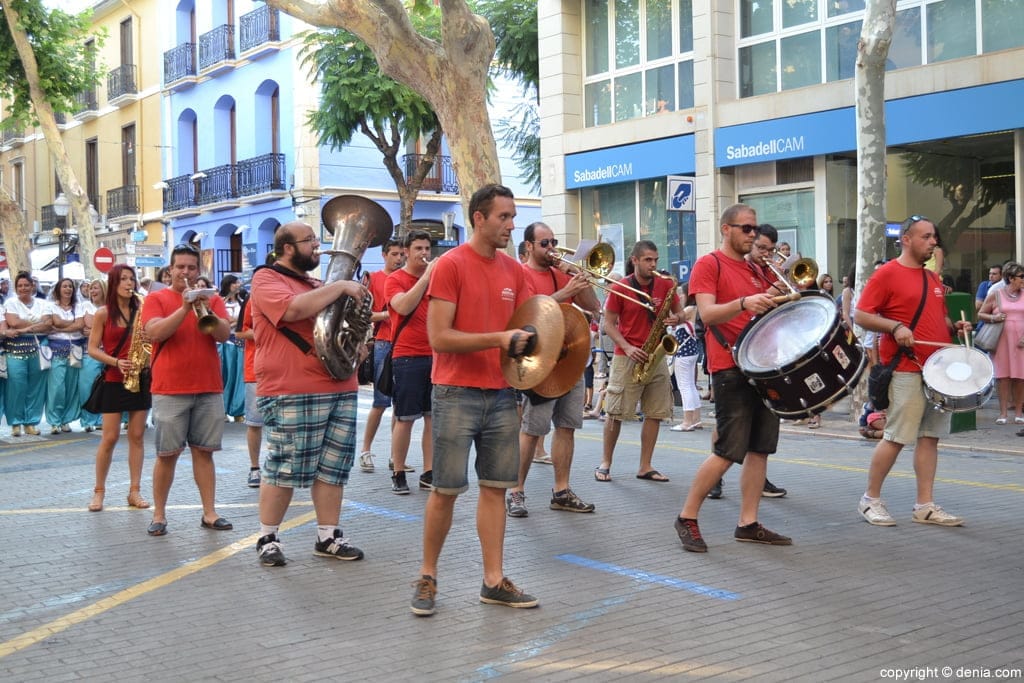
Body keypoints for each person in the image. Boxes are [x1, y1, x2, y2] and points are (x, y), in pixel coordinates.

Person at [410, 183, 537, 617]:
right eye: (504, 217)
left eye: (513, 216)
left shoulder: (514, 271)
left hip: (501, 393)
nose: (512, 225)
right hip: (454, 392)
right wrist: (499, 338)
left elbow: (529, 327)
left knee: (495, 490)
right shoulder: (450, 265)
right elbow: (439, 337)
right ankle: (427, 575)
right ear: (479, 218)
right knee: (445, 490)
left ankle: (493, 581)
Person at [673, 204, 792, 553]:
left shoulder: (756, 268)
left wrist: (780, 290)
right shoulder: (710, 264)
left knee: (760, 450)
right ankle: (687, 516)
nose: (753, 234)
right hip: (730, 366)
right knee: (728, 450)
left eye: (755, 228)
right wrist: (744, 302)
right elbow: (708, 313)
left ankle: (748, 523)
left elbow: (769, 308)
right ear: (726, 229)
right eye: (746, 228)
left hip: (764, 365)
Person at [249, 221, 366, 567]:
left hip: (339, 384)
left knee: (334, 467)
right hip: (290, 387)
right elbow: (293, 310)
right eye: (309, 240)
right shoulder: (266, 278)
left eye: (316, 239)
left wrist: (359, 342)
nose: (317, 245)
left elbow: (344, 324)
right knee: (284, 466)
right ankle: (268, 538)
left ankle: (328, 536)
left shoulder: (318, 285)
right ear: (287, 248)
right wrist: (341, 286)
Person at [854, 215, 971, 528]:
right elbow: (861, 315)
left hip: (938, 370)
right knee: (896, 437)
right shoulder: (887, 274)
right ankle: (870, 500)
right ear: (906, 239)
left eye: (934, 237)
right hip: (906, 367)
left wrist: (955, 328)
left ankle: (925, 506)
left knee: (930, 437)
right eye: (926, 236)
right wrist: (895, 327)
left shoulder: (932, 279)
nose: (933, 242)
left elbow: (939, 319)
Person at [505, 221, 601, 518]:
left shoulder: (562, 273)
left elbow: (594, 306)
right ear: (529, 246)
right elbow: (529, 313)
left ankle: (562, 490)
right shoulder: (521, 274)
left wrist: (578, 278)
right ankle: (516, 491)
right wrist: (564, 292)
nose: (551, 249)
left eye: (553, 242)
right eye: (544, 243)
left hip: (569, 358)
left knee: (567, 426)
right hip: (539, 362)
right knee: (532, 430)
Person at [142, 243, 233, 537]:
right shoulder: (156, 298)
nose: (186, 272)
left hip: (208, 387)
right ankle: (159, 514)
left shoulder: (212, 299)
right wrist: (184, 307)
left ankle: (210, 512)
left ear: (198, 270)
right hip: (170, 388)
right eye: (180, 267)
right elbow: (155, 332)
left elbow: (223, 335)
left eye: (191, 268)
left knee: (204, 453)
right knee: (167, 454)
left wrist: (204, 306)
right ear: (170, 270)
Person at [594, 240, 682, 483]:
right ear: (635, 260)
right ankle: (605, 462)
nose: (653, 264)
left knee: (655, 412)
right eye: (647, 260)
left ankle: (645, 465)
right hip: (627, 356)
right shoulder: (620, 287)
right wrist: (627, 347)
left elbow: (681, 312)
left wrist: (677, 318)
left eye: (655, 260)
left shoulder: (665, 284)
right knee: (615, 412)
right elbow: (608, 324)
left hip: (656, 354)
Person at [86, 265, 152, 512]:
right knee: (110, 437)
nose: (128, 283)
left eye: (131, 279)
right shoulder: (103, 313)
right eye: (123, 279)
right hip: (114, 378)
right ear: (113, 284)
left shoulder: (142, 310)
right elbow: (92, 349)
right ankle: (99, 492)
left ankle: (134, 491)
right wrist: (115, 362)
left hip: (140, 377)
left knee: (137, 436)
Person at [385, 229, 437, 494]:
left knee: (432, 418)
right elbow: (403, 306)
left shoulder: (436, 278)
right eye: (418, 248)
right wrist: (426, 278)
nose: (424, 253)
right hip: (407, 357)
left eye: (427, 248)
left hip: (436, 355)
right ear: (406, 252)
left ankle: (429, 472)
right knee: (405, 419)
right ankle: (398, 471)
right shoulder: (395, 280)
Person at [358, 238, 404, 473]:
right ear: (384, 255)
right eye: (394, 254)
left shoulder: (407, 278)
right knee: (380, 402)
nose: (399, 258)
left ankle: (396, 456)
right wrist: (390, 313)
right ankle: (365, 450)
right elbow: (364, 315)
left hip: (404, 345)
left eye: (401, 254)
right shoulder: (374, 278)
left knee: (400, 405)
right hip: (384, 343)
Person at [3, 271, 51, 436]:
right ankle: (16, 423)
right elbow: (13, 322)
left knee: (36, 387)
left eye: (26, 285)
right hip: (15, 349)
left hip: (39, 347)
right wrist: (36, 323)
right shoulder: (11, 303)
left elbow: (48, 325)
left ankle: (31, 422)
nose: (23, 288)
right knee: (16, 386)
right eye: (20, 286)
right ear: (16, 288)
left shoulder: (43, 303)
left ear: (32, 286)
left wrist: (25, 327)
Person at [978, 262, 1024, 425]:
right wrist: (994, 317)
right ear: (1011, 278)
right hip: (1001, 339)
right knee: (1002, 377)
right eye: (1021, 276)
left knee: (1021, 377)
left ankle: (1019, 412)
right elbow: (981, 313)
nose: (1023, 279)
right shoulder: (996, 294)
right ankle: (1003, 413)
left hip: (1021, 341)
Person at [45, 277, 86, 434]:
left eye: (70, 286)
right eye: (64, 286)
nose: (68, 289)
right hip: (56, 350)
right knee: (56, 388)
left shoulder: (79, 306)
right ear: (58, 289)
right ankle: (54, 421)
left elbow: (80, 325)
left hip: (75, 350)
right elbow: (56, 321)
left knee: (71, 386)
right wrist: (72, 324)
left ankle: (65, 420)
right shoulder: (51, 306)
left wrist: (61, 327)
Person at [669, 295, 702, 432]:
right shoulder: (695, 308)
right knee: (691, 386)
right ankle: (696, 419)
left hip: (683, 353)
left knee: (684, 387)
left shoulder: (688, 309)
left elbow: (672, 320)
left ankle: (687, 421)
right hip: (691, 352)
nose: (680, 297)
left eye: (682, 294)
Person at [78, 279, 106, 433]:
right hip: (90, 352)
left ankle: (103, 419)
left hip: (109, 352)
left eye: (96, 288)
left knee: (108, 387)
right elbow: (88, 325)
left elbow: (93, 328)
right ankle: (88, 420)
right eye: (91, 289)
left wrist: (97, 330)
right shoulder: (84, 306)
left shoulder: (112, 307)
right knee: (87, 386)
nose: (93, 291)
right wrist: (102, 328)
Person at [218, 274, 246, 421]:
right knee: (225, 376)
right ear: (228, 285)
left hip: (239, 343)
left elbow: (243, 321)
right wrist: (234, 322)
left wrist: (233, 322)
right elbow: (221, 322)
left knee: (238, 377)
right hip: (224, 343)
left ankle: (238, 411)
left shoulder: (242, 302)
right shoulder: (220, 302)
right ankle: (222, 410)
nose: (238, 285)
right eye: (235, 283)